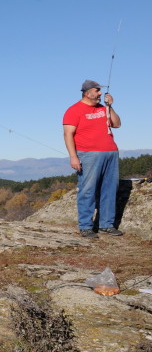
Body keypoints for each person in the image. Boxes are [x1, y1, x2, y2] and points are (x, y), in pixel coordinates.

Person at [62, 80, 123, 238]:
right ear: (87, 92)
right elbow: (68, 134)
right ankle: (86, 226)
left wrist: (110, 106)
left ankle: (106, 224)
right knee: (87, 190)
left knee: (110, 189)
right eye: (97, 91)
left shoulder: (103, 108)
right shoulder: (74, 110)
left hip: (111, 152)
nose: (100, 94)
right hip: (88, 154)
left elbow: (117, 124)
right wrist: (73, 156)